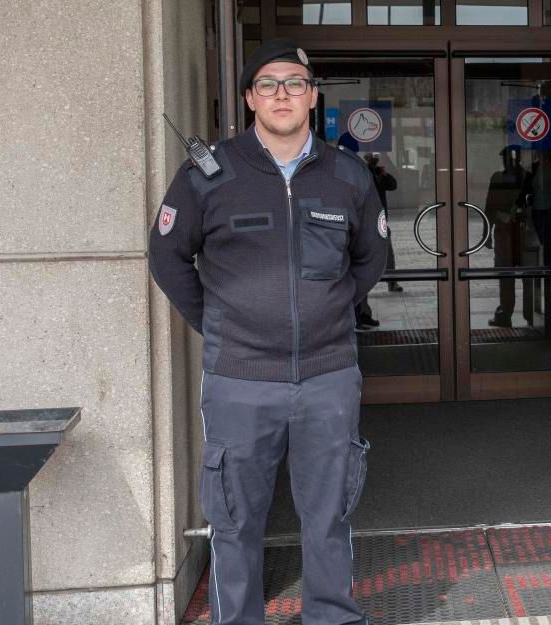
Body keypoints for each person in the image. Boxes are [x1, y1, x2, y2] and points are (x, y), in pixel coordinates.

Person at [148, 39, 387, 625]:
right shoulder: (210, 174)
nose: (282, 94)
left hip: (329, 377)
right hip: (239, 380)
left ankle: (332, 616)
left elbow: (370, 259)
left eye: (295, 83)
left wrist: (330, 313)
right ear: (250, 98)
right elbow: (167, 256)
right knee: (234, 521)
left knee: (329, 516)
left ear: (313, 96)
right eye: (268, 85)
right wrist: (219, 322)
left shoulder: (347, 175)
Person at [355, 151, 401, 330]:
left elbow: (392, 185)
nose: (372, 159)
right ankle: (361, 314)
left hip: (379, 222)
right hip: (365, 225)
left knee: (388, 253)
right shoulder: (361, 173)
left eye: (374, 157)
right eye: (370, 157)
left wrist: (382, 173)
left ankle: (392, 281)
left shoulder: (378, 174)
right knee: (362, 266)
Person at [486, 145, 527, 327]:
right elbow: (490, 207)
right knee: (515, 275)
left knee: (509, 275)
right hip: (516, 234)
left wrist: (486, 233)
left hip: (512, 233)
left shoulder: (502, 178)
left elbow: (489, 208)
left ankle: (508, 313)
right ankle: (518, 312)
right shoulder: (524, 177)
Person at [519, 148, 551, 267]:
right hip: (537, 209)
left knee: (545, 235)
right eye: (540, 150)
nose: (542, 153)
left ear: (549, 152)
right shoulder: (532, 168)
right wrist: (517, 204)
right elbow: (526, 189)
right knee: (544, 237)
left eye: (545, 150)